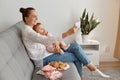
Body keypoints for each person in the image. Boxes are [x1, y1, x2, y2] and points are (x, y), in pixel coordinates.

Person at [19, 7, 110, 80]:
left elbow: (46, 40)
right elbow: (45, 40)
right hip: (43, 59)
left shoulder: (30, 29)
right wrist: (67, 33)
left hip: (48, 53)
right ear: (26, 18)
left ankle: (92, 69)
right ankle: (90, 71)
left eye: (36, 16)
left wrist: (56, 44)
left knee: (75, 46)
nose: (37, 18)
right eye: (34, 16)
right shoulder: (28, 32)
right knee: (77, 57)